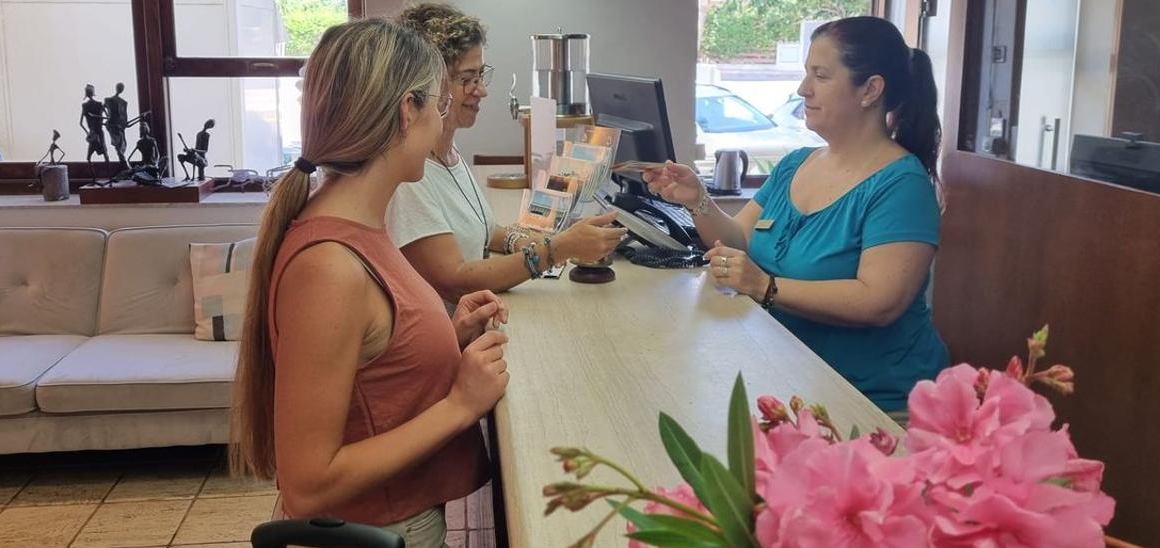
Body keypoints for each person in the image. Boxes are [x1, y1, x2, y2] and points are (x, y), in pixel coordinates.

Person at [229, 19, 509, 547]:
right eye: (438, 104)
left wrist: (449, 339)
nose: (440, 119)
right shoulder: (330, 266)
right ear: (408, 111)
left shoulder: (365, 224)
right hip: (380, 532)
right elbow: (309, 484)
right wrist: (460, 404)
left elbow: (372, 374)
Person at [643, 16, 948, 415]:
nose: (803, 89)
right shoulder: (796, 164)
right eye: (806, 74)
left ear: (871, 90)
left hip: (873, 403)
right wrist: (697, 200)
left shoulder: (901, 185)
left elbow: (880, 302)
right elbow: (738, 241)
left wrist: (766, 286)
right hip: (794, 384)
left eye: (820, 76)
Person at [387, 4, 627, 310]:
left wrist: (525, 240)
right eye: (467, 79)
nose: (481, 91)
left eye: (481, 75)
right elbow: (455, 279)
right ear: (430, 83)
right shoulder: (410, 176)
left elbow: (479, 230)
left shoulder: (448, 153)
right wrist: (556, 250)